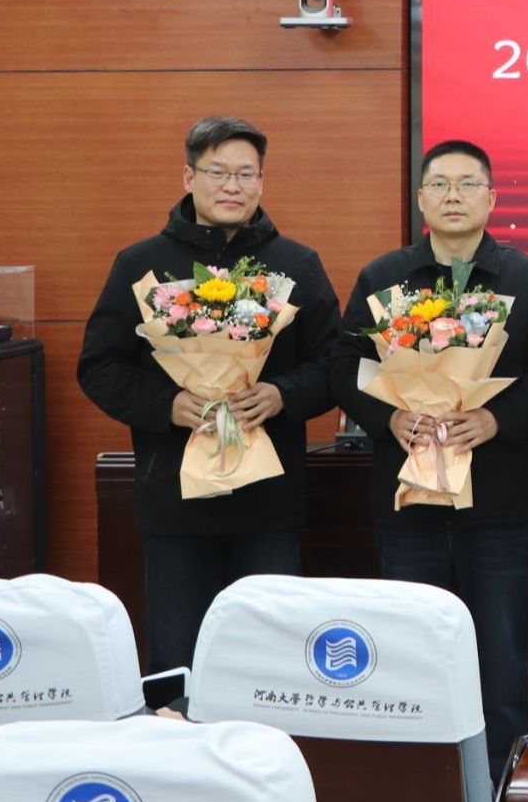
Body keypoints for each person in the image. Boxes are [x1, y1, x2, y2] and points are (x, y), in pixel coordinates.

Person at [332, 138, 528, 786]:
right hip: (408, 504)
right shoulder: (383, 279)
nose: (454, 196)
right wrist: (387, 417)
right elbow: (344, 367)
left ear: (491, 198)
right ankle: (420, 793)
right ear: (421, 199)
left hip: (498, 505)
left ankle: (504, 798)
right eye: (440, 184)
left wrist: (497, 419)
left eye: (468, 184)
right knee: (411, 657)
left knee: (502, 660)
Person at [77, 116, 339, 673]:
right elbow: (100, 365)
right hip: (174, 501)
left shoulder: (297, 265)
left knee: (268, 659)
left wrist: (282, 394)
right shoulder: (141, 265)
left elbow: (335, 363)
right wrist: (165, 405)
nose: (232, 186)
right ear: (189, 176)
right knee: (178, 658)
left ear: (261, 181)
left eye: (246, 174)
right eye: (218, 172)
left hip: (268, 502)